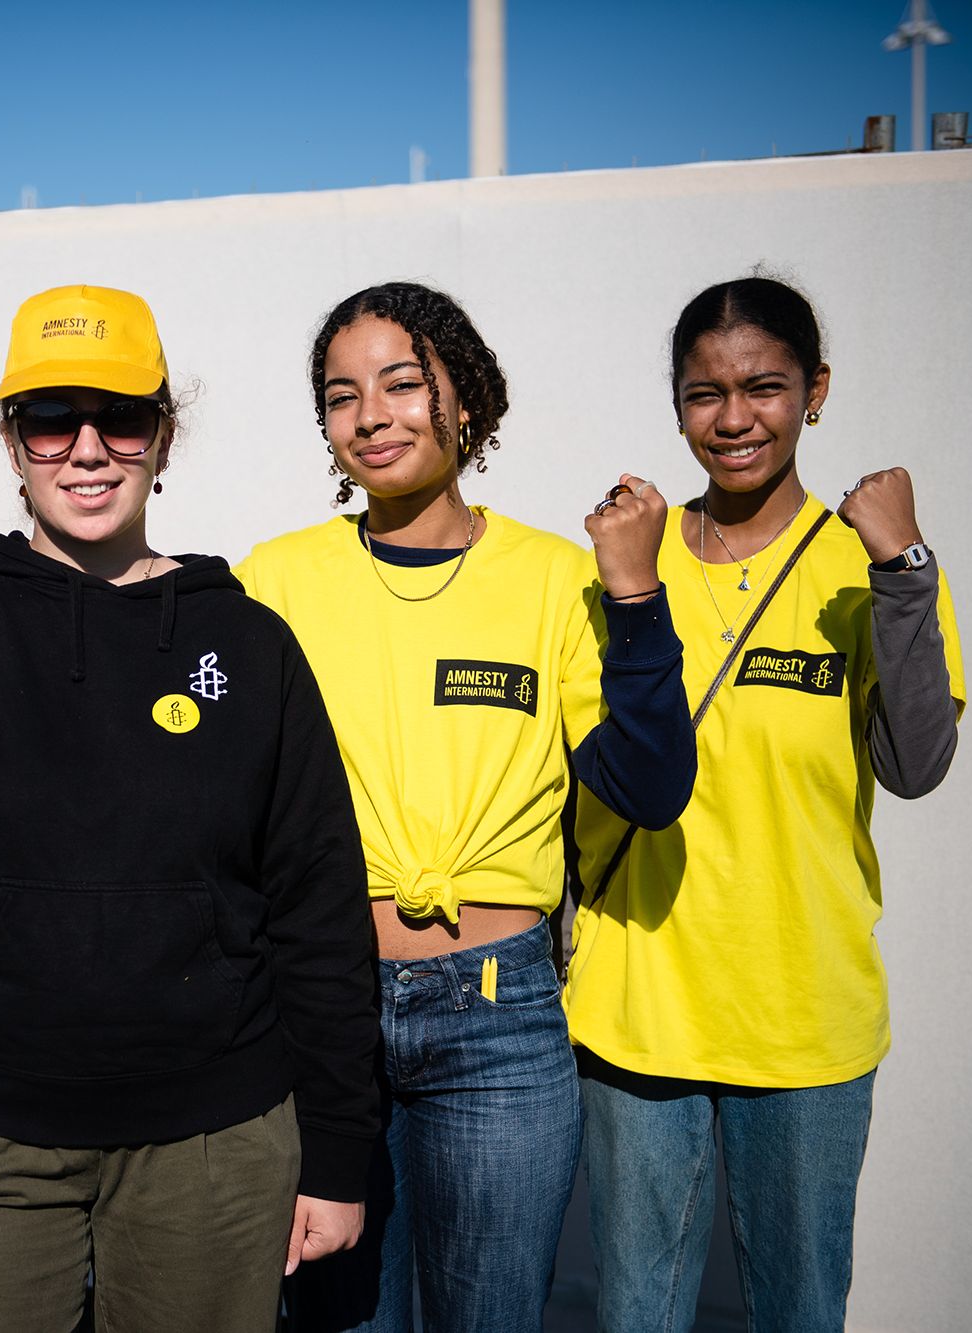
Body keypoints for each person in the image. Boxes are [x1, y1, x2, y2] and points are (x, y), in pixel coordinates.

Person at [0, 285, 380, 1333]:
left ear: (162, 437)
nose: (86, 448)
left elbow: (315, 905)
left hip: (211, 1137)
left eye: (121, 418)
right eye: (50, 419)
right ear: (10, 442)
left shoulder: (248, 644)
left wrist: (335, 1150)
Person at [236, 280, 699, 1333]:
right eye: (340, 393)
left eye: (402, 382)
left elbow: (647, 785)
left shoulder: (551, 579)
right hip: (320, 1010)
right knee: (336, 1317)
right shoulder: (275, 580)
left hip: (497, 1018)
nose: (370, 414)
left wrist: (632, 598)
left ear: (466, 400)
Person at [563, 275, 965, 1333]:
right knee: (635, 1314)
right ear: (675, 403)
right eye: (704, 394)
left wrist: (904, 568)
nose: (732, 418)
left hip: (803, 1015)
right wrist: (625, 583)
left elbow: (915, 761)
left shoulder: (864, 567)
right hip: (639, 1007)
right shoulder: (621, 564)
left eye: (763, 387)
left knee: (796, 1310)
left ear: (814, 391)